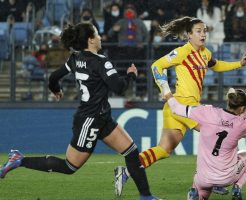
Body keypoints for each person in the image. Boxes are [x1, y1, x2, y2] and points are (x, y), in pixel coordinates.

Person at [0, 22, 158, 200]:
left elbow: (53, 77)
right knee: (69, 167)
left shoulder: (75, 59)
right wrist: (131, 75)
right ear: (91, 40)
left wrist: (55, 89)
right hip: (89, 120)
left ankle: (146, 196)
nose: (99, 38)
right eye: (97, 35)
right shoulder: (101, 61)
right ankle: (19, 160)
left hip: (101, 117)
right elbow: (119, 87)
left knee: (131, 152)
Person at [114, 16, 246, 196]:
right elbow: (157, 66)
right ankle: (214, 179)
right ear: (189, 35)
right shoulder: (182, 52)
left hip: (179, 109)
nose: (203, 34)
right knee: (218, 132)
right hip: (183, 105)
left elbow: (217, 65)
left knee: (164, 150)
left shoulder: (205, 53)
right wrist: (165, 89)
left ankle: (126, 171)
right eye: (198, 31)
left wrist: (239, 64)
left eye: (204, 31)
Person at [162, 87, 246, 200]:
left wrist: (165, 87)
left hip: (203, 178)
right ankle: (237, 188)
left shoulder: (208, 112)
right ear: (242, 108)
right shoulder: (243, 124)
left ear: (228, 101)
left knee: (200, 189)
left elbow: (176, 108)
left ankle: (195, 194)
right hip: (227, 178)